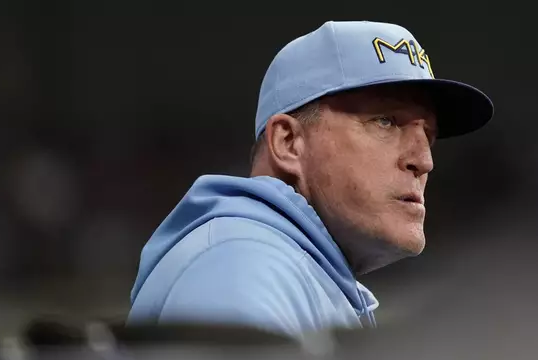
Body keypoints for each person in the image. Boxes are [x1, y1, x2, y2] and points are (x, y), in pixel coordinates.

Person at [128, 21, 493, 338]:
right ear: (288, 143)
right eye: (386, 122)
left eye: (427, 135)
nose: (423, 161)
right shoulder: (240, 268)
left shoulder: (298, 271)